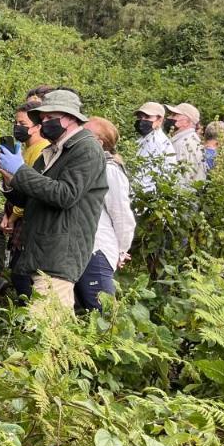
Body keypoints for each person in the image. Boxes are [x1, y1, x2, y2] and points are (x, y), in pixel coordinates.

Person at [0, 88, 108, 312]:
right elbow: (29, 197)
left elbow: (65, 195)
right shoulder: (52, 151)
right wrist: (9, 179)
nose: (45, 122)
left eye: (51, 117)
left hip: (60, 252)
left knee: (45, 329)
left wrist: (20, 172)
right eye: (43, 118)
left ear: (70, 118)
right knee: (51, 329)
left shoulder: (87, 149)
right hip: (42, 247)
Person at [0, 87, 54, 303]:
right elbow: (18, 187)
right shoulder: (26, 149)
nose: (17, 128)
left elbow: (32, 189)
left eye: (23, 125)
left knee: (21, 271)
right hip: (19, 209)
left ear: (38, 126)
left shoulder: (42, 150)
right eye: (16, 123)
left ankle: (19, 301)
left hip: (30, 216)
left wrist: (12, 217)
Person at [75, 117, 135, 313]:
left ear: (99, 143)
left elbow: (122, 215)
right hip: (81, 248)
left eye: (86, 133)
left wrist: (122, 250)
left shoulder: (109, 170)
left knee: (103, 316)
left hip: (98, 250)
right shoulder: (86, 166)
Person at [133, 102, 177, 192]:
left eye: (148, 117)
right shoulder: (147, 137)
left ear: (160, 120)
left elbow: (144, 177)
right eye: (140, 117)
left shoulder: (156, 141)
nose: (142, 120)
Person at [165, 103, 206, 186]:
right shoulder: (190, 140)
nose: (168, 118)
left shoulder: (184, 144)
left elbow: (181, 180)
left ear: (187, 121)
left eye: (174, 115)